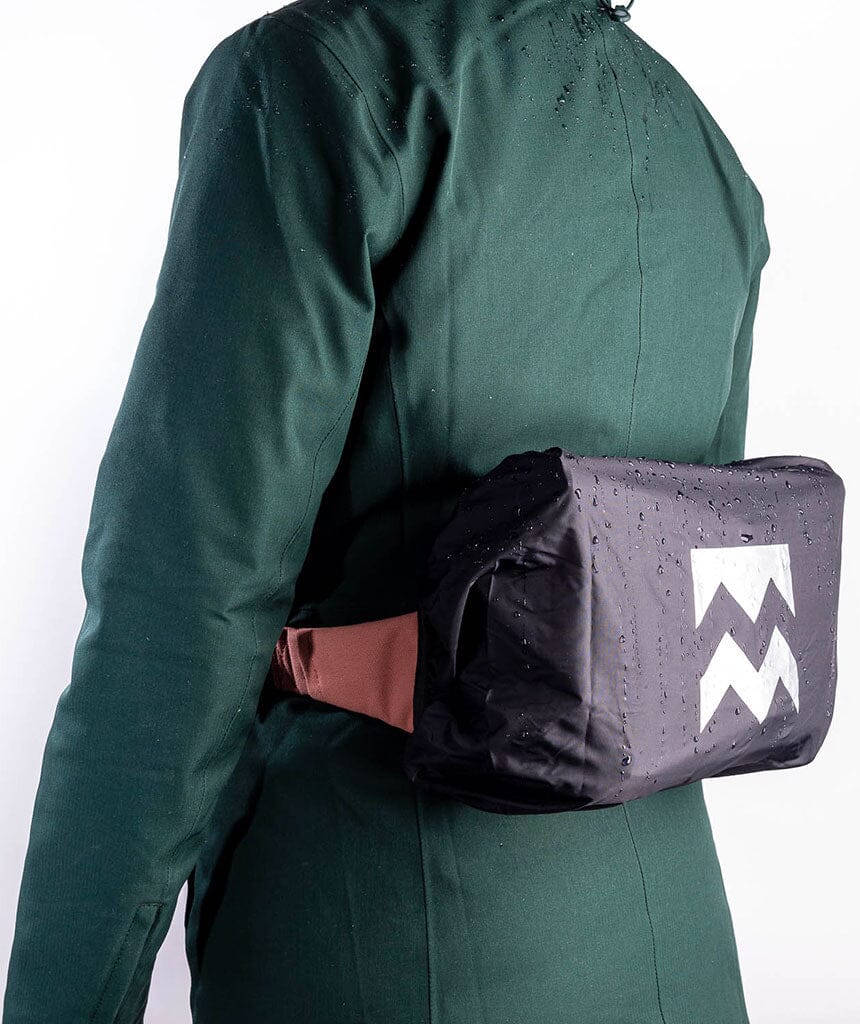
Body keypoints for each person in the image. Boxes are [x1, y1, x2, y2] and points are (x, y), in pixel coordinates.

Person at [3, 1, 770, 1021]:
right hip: (677, 949)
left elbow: (178, 611)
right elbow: (668, 592)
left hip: (391, 942)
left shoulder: (318, 78)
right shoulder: (700, 146)